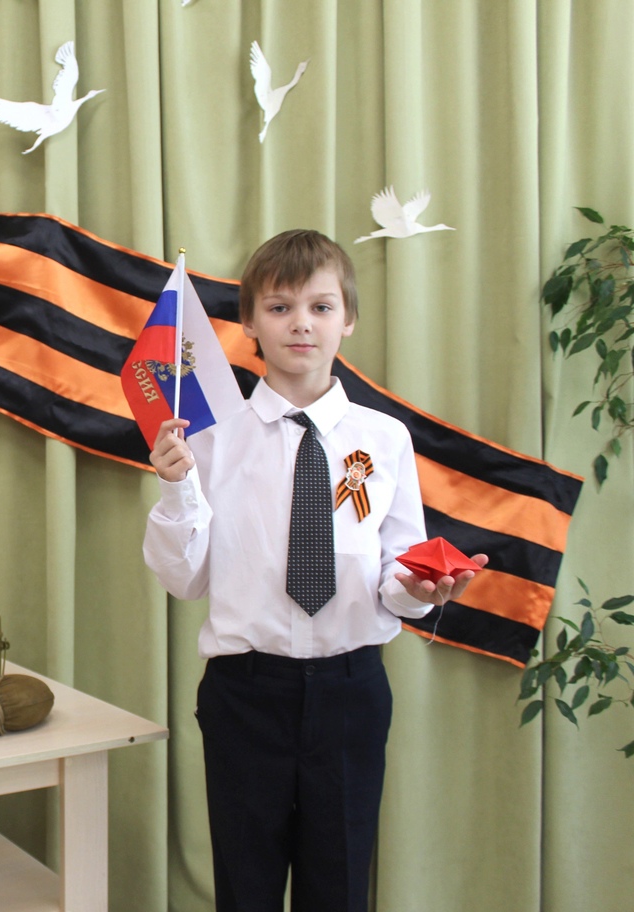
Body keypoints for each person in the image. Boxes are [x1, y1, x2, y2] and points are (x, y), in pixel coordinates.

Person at [143, 229, 486, 912]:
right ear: (249, 322)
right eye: (280, 307)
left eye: (321, 307)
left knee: (340, 886)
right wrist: (176, 489)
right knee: (246, 888)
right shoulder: (208, 438)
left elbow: (396, 573)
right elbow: (186, 579)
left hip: (350, 693)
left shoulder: (384, 439)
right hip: (246, 695)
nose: (301, 323)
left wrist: (419, 589)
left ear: (348, 319)